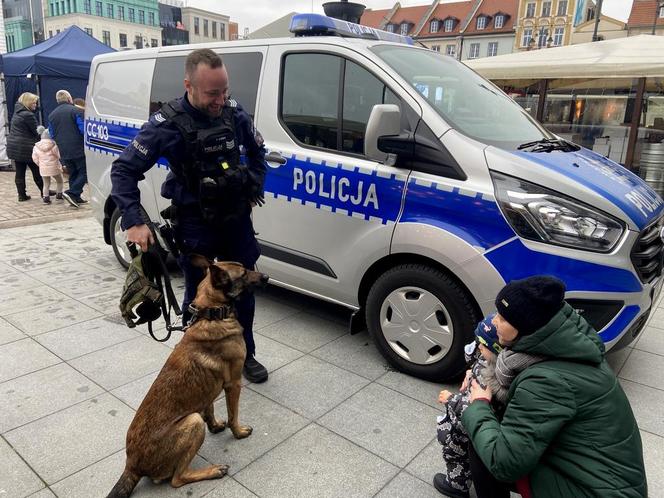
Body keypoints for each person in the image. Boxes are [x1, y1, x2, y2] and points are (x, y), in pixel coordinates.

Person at [111, 48, 268, 383]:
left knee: (244, 289)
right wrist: (135, 220)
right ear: (189, 85)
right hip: (195, 221)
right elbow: (124, 170)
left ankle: (245, 355)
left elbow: (258, 152)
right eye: (213, 93)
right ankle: (197, 358)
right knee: (199, 293)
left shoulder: (232, 112)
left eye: (224, 90)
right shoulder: (166, 125)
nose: (220, 99)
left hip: (235, 220)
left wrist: (252, 188)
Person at [461, 276, 647, 498]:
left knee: (485, 445)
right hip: (605, 479)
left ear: (524, 326)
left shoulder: (546, 381)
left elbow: (505, 462)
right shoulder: (566, 349)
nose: (494, 322)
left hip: (593, 492)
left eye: (503, 318)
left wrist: (479, 404)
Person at [434, 315, 543, 498]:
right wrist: (470, 371)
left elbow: (473, 409)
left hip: (467, 427)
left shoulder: (491, 383)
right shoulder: (498, 364)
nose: (477, 347)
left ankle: (456, 486)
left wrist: (450, 399)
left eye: (482, 345)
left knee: (455, 454)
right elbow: (478, 356)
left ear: (497, 351)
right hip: (479, 428)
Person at [48, 89, 86, 208]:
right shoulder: (77, 111)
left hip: (63, 149)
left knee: (73, 172)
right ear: (69, 99)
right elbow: (83, 130)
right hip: (78, 147)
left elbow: (52, 133)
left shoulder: (52, 115)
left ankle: (76, 197)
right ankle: (72, 193)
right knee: (84, 172)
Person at [7, 92, 45, 201]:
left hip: (14, 146)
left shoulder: (17, 112)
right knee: (36, 170)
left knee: (19, 172)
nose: (36, 105)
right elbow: (36, 131)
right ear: (28, 102)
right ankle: (44, 192)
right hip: (26, 147)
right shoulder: (28, 115)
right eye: (34, 103)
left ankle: (21, 195)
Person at [32, 126, 64, 204]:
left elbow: (34, 158)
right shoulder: (53, 145)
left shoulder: (36, 147)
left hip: (43, 168)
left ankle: (46, 198)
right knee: (59, 181)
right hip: (54, 167)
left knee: (46, 183)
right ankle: (59, 195)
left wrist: (40, 164)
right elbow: (58, 155)